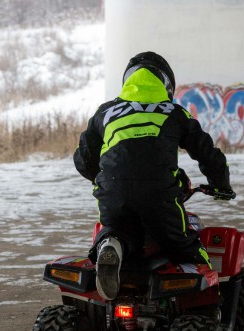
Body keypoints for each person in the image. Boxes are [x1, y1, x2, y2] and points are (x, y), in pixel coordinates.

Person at [74, 51, 232, 300]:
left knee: (117, 229)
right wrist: (221, 184)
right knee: (183, 245)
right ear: (167, 85)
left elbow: (83, 159)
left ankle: (111, 245)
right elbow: (207, 153)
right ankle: (207, 312)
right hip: (159, 195)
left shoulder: (105, 112)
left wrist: (105, 178)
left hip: (111, 191)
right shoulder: (174, 112)